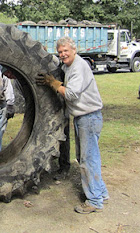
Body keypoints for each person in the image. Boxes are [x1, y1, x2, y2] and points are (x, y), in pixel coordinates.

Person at [36, 36, 108, 214]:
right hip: (83, 118)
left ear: (74, 50)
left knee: (87, 158)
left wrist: (53, 83)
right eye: (60, 52)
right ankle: (101, 193)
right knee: (88, 156)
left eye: (66, 51)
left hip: (89, 118)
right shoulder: (68, 66)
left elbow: (72, 95)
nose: (62, 54)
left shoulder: (79, 67)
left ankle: (94, 201)